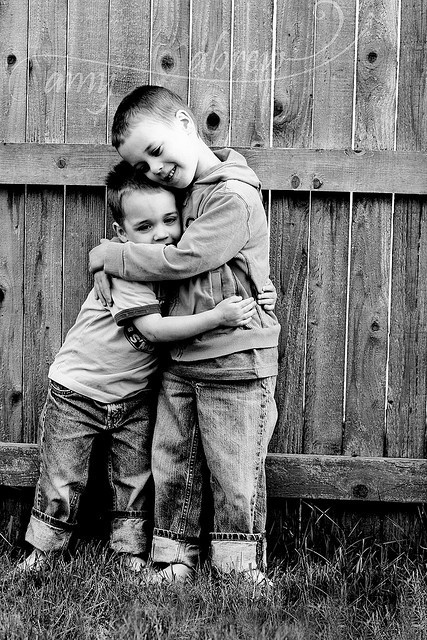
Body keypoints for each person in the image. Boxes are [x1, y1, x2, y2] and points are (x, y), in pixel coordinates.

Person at [16, 162, 258, 574]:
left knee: (135, 479)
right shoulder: (127, 273)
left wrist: (261, 289)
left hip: (132, 397)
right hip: (79, 391)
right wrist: (216, 318)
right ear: (122, 235)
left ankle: (128, 553)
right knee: (63, 477)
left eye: (170, 220)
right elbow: (155, 329)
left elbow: (226, 270)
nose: (161, 233)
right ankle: (43, 550)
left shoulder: (174, 268)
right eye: (145, 227)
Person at [89, 85, 281, 585]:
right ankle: (174, 557)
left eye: (155, 152)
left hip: (236, 359)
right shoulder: (182, 191)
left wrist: (111, 256)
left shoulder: (233, 194)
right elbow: (146, 240)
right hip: (180, 358)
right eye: (145, 167)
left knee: (234, 469)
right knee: (174, 463)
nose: (155, 169)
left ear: (184, 122)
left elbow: (184, 260)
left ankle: (240, 565)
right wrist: (109, 261)